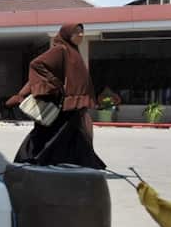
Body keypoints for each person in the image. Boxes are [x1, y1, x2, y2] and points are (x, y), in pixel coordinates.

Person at [7, 24, 105, 168]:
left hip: (70, 104)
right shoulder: (61, 50)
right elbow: (37, 64)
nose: (81, 35)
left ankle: (73, 163)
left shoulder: (73, 51)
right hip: (61, 103)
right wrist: (56, 84)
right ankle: (31, 159)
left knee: (69, 134)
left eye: (82, 32)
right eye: (77, 32)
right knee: (53, 134)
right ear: (67, 34)